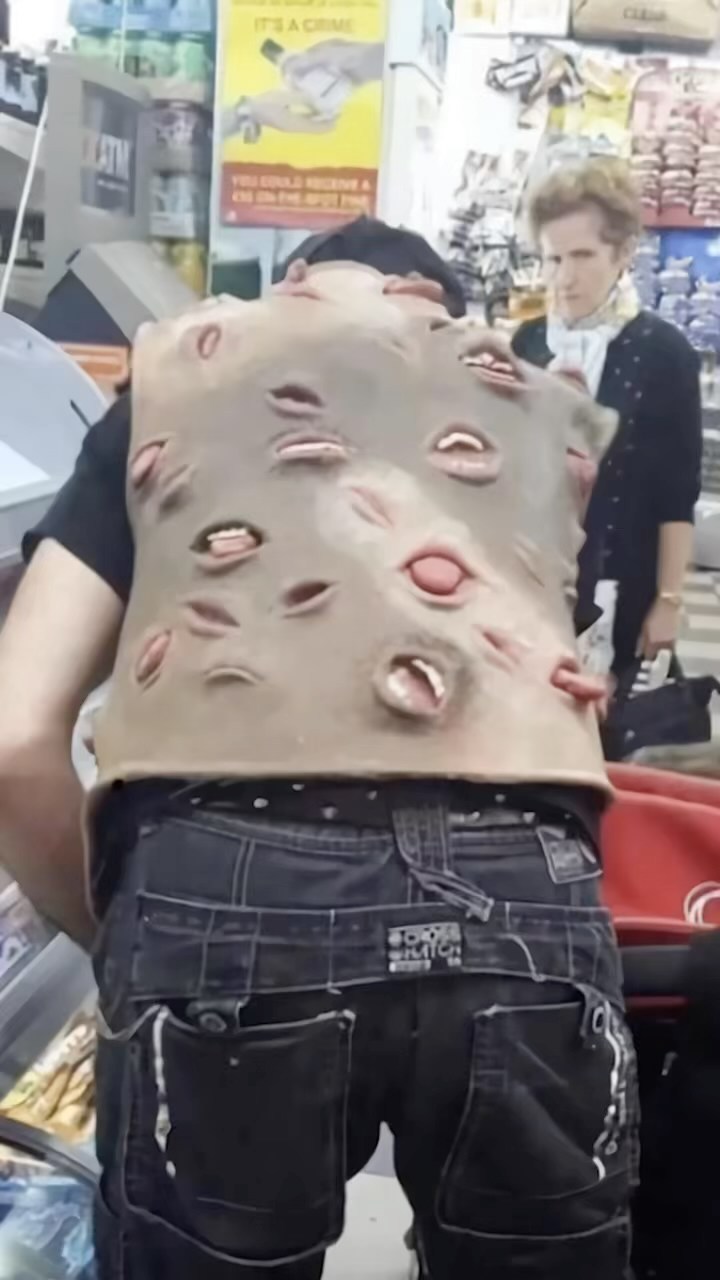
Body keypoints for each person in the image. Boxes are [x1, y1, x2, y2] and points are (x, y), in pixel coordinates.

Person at [0, 218, 635, 1280]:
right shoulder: (532, 420)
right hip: (527, 897)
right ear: (445, 320)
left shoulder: (176, 389)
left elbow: (15, 733)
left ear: (292, 286)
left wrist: (133, 940)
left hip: (225, 878)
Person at [512, 159, 703, 675]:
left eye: (583, 256)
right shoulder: (528, 342)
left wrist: (668, 600)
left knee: (602, 712)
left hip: (620, 580)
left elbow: (676, 495)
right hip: (531, 578)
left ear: (622, 253)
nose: (564, 277)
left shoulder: (664, 353)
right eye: (553, 258)